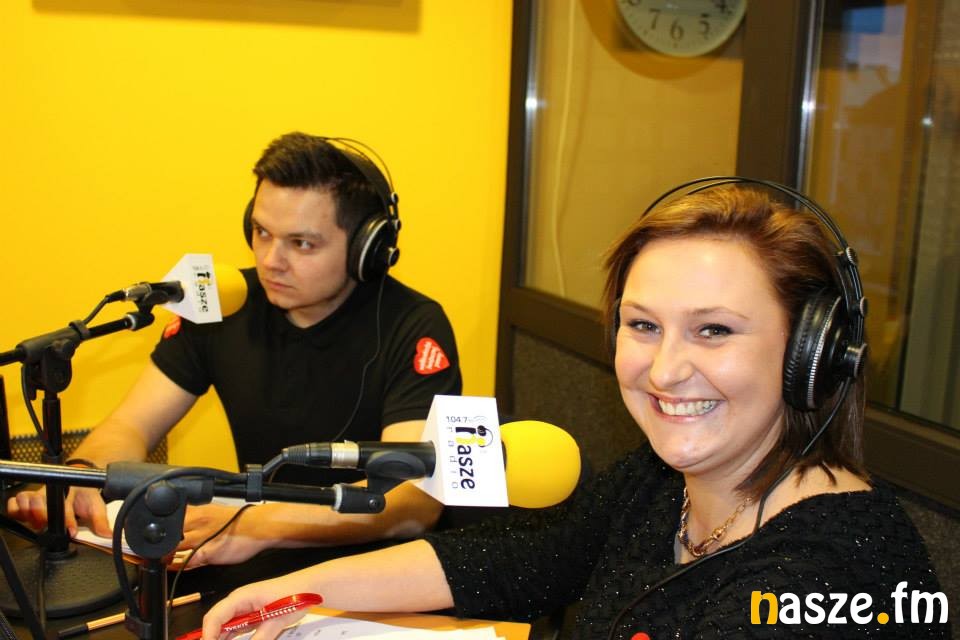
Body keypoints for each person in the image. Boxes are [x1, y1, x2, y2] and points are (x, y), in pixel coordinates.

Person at [200, 182, 949, 639]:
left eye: (714, 330)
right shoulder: (657, 486)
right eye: (643, 325)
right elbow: (518, 558)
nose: (664, 369)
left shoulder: (835, 578)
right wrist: (290, 593)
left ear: (810, 354)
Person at [7, 132, 462, 571]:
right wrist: (85, 474)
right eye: (262, 232)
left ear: (368, 248)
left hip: (372, 571)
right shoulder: (223, 304)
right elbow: (130, 425)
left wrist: (254, 525)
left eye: (301, 243)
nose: (270, 260)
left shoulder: (414, 326)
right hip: (258, 556)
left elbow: (412, 501)